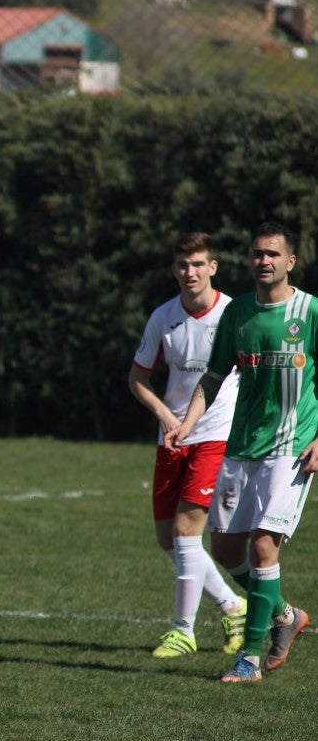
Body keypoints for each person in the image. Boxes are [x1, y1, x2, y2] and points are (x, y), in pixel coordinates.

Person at [165, 221, 314, 683]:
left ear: (290, 261)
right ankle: (285, 615)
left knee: (263, 545)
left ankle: (248, 658)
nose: (263, 261)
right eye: (257, 253)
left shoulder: (309, 312)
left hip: (290, 447)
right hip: (241, 444)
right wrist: (185, 426)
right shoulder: (238, 313)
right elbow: (212, 378)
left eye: (272, 254)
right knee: (226, 548)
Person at [128, 232, 247, 658]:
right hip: (173, 437)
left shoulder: (235, 313)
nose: (190, 272)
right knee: (168, 539)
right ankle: (234, 606)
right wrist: (165, 416)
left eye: (198, 264)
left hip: (217, 435)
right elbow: (137, 378)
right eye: (183, 265)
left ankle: (183, 630)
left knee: (184, 532)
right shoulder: (163, 316)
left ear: (213, 267)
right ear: (174, 269)